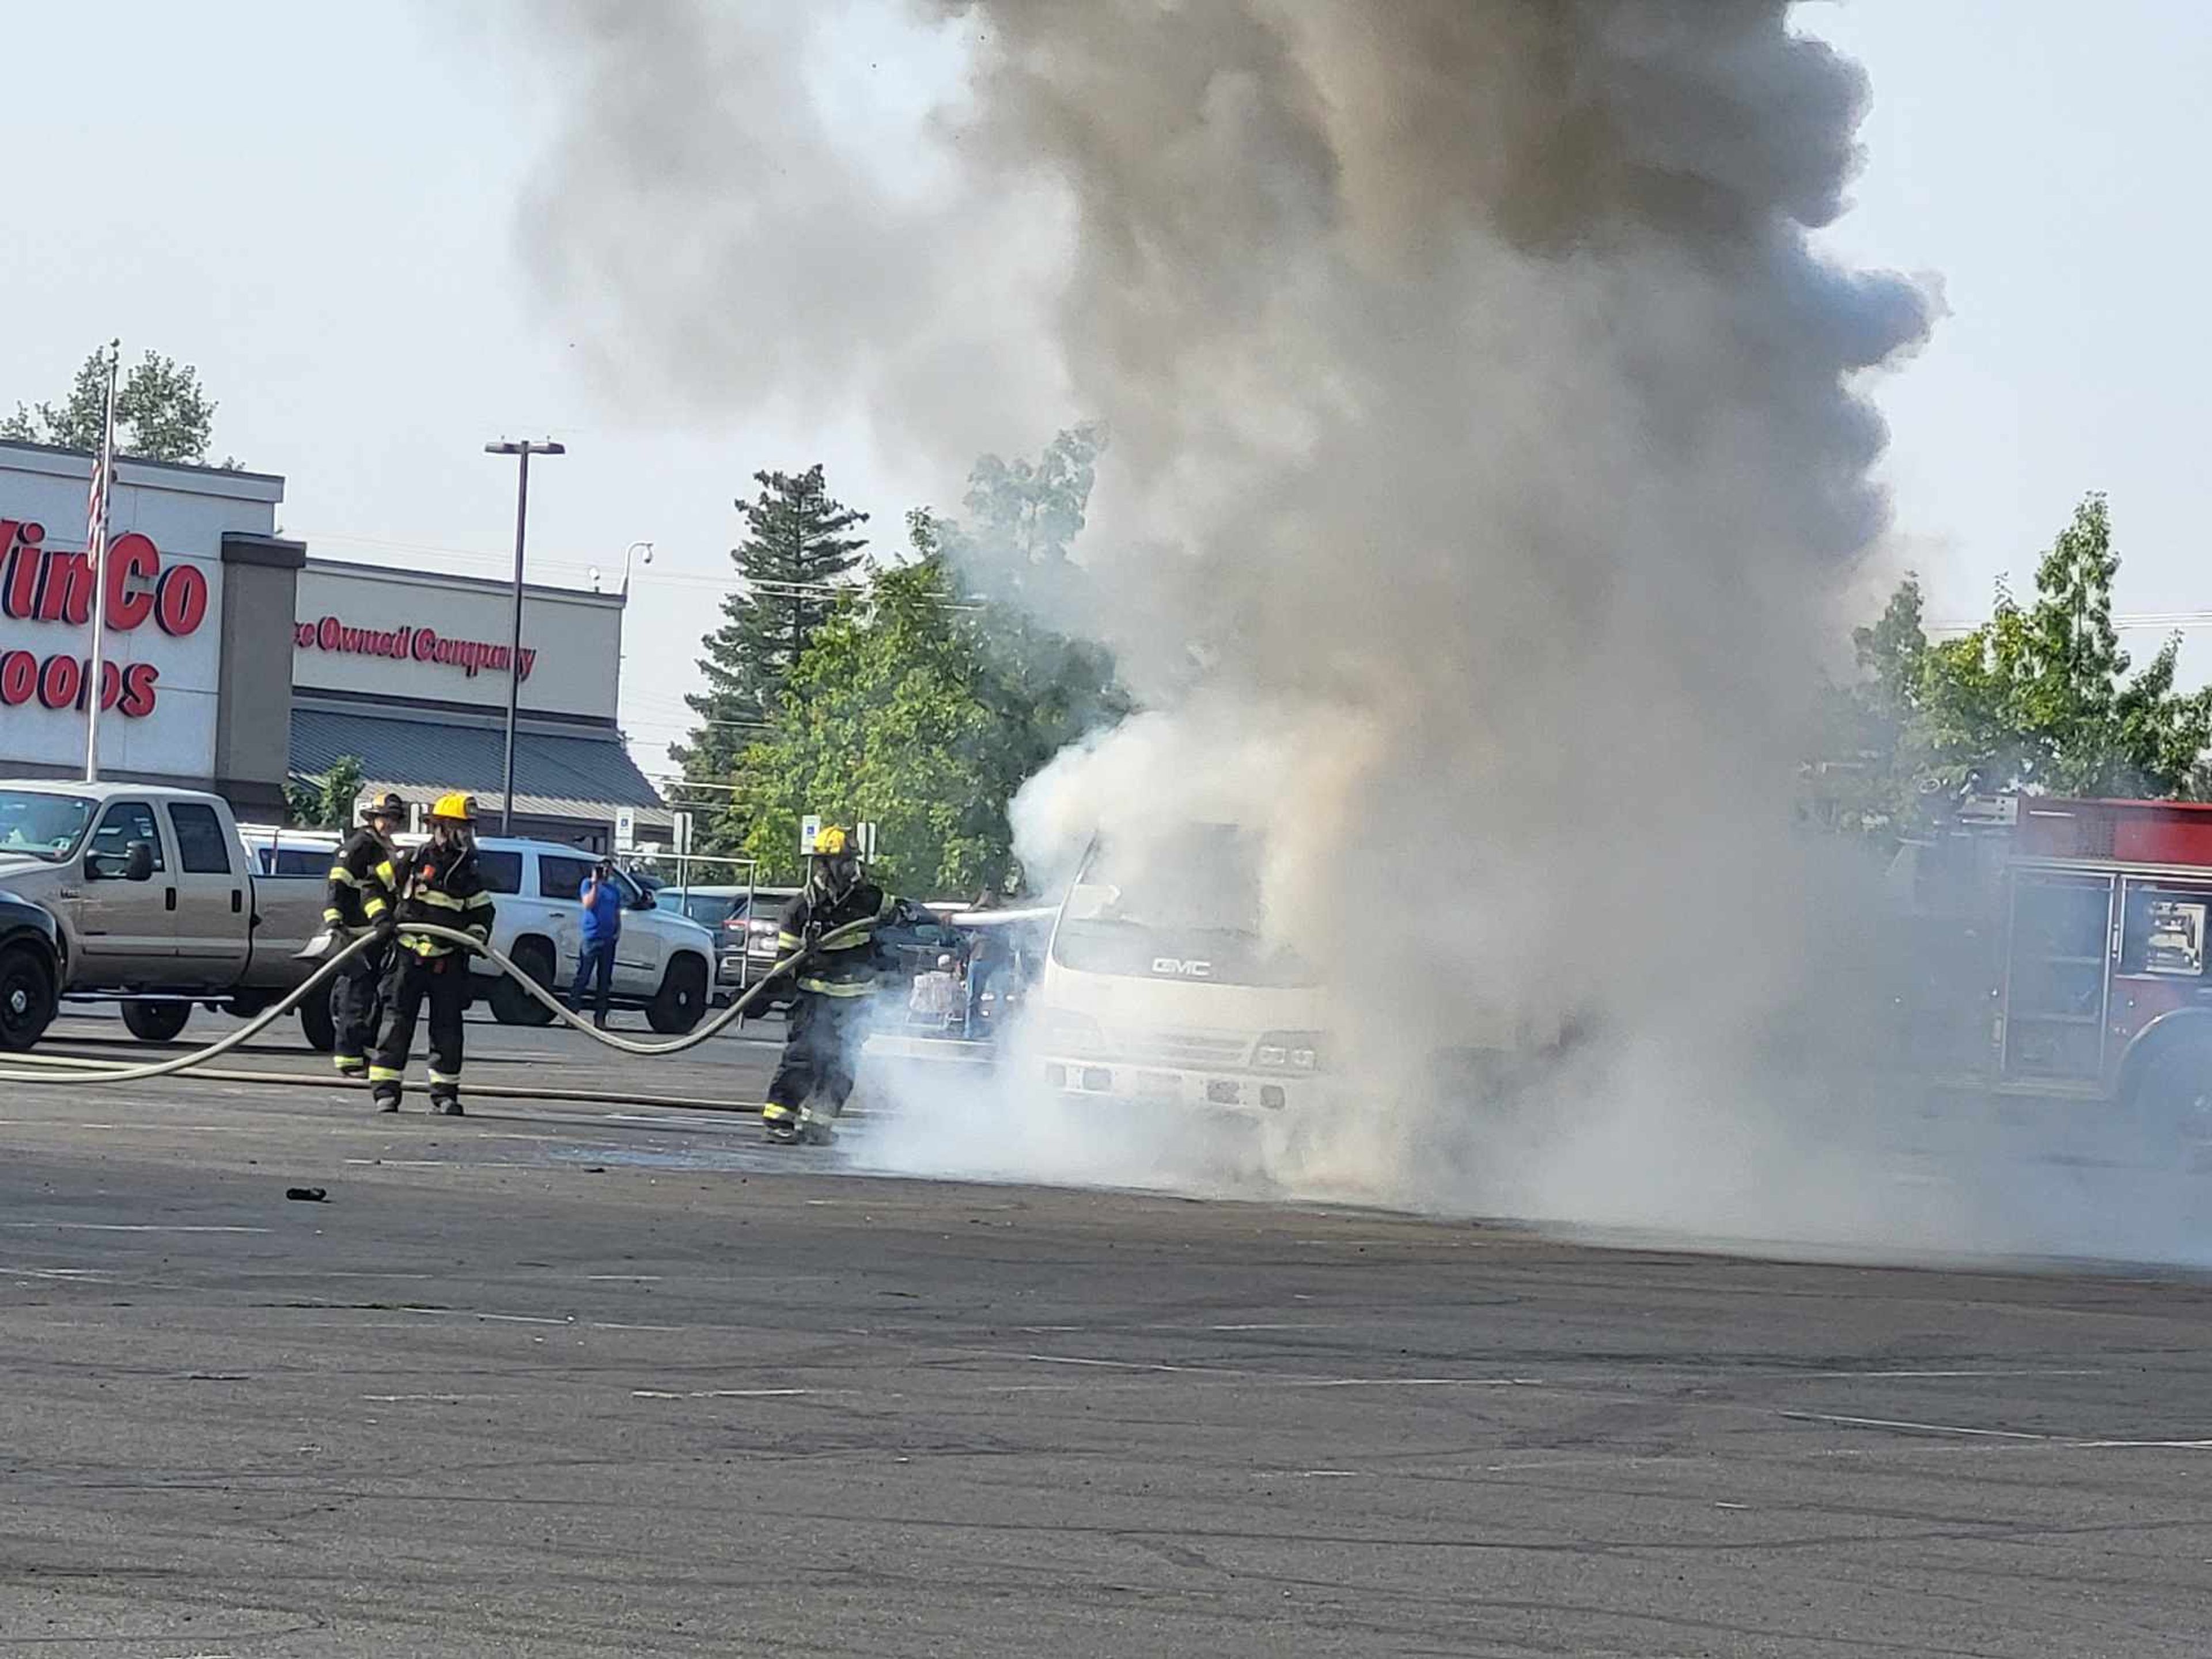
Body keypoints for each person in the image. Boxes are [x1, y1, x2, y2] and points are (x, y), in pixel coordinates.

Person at [762, 824, 896, 1145]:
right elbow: (785, 962)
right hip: (814, 1000)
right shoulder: (802, 909)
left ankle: (819, 1123)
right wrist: (768, 992)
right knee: (803, 1059)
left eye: (853, 862)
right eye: (845, 863)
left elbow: (901, 918)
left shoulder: (871, 900)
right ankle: (780, 1118)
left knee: (843, 1065)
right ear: (824, 865)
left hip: (855, 1002)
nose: (851, 870)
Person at [369, 792, 496, 1116]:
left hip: (448, 959)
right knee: (397, 1024)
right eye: (460, 828)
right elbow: (373, 886)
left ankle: (444, 1094)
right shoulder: (412, 859)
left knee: (448, 1029)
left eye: (468, 829)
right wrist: (382, 918)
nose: (466, 835)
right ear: (441, 826)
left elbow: (484, 912)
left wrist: (474, 937)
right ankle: (386, 1091)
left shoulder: (468, 872)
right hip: (408, 955)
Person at [323, 792, 406, 1079]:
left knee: (374, 996)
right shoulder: (360, 845)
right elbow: (339, 882)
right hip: (356, 931)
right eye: (385, 818)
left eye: (394, 819)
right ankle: (349, 1059)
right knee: (355, 995)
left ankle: (365, 1055)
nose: (390, 824)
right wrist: (335, 920)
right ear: (373, 818)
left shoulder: (384, 846)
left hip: (376, 931)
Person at [571, 858, 622, 1029]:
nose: (605, 873)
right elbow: (588, 904)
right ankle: (572, 1014)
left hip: (609, 939)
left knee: (605, 981)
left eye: (608, 870)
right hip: (592, 937)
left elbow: (616, 912)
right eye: (602, 869)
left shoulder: (614, 890)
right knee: (583, 976)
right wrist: (595, 883)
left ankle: (600, 1018)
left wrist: (617, 931)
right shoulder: (587, 884)